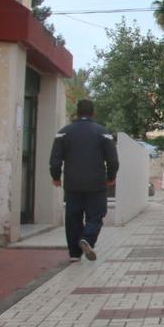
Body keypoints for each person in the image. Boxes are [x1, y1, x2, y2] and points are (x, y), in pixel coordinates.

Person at [50, 99, 119, 262]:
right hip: (96, 183)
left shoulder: (63, 133)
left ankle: (74, 254)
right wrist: (111, 177)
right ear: (93, 113)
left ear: (77, 112)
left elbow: (55, 159)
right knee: (96, 215)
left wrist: (55, 176)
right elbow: (113, 160)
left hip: (72, 183)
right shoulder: (103, 133)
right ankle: (87, 239)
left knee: (73, 217)